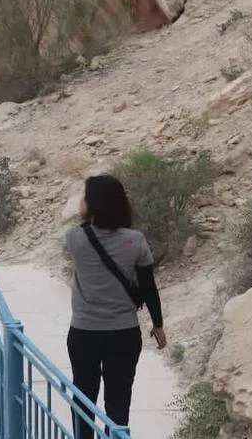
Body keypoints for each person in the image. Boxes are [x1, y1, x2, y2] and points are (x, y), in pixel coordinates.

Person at [63, 174, 165, 439]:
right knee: (118, 404)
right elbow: (148, 287)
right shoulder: (135, 240)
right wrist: (158, 324)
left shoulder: (74, 237)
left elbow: (82, 229)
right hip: (123, 334)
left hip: (84, 333)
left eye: (85, 196)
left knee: (83, 398)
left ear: (93, 203)